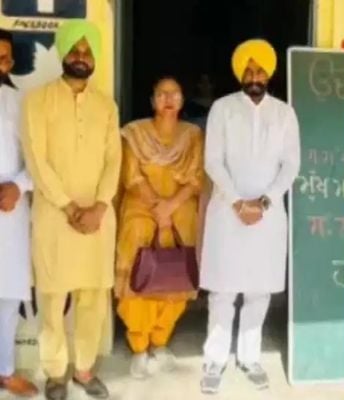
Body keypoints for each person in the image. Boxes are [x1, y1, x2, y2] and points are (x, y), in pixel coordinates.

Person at [21, 20, 121, 400]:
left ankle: (83, 368)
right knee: (52, 299)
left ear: (94, 57)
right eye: (75, 50)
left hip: (97, 218)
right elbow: (36, 157)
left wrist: (98, 206)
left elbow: (115, 159)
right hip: (54, 216)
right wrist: (68, 206)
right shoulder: (37, 101)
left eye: (88, 50)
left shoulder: (106, 105)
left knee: (92, 298)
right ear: (64, 53)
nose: (81, 56)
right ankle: (56, 373)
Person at [199, 39, 300, 394]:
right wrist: (238, 202)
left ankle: (250, 356)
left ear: (269, 74)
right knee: (223, 290)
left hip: (268, 217)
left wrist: (265, 201)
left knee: (259, 291)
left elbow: (291, 165)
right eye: (248, 70)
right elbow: (213, 161)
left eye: (260, 71)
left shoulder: (284, 113)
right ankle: (214, 359)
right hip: (228, 214)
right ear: (240, 72)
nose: (254, 76)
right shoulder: (222, 109)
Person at [115, 76, 204, 379]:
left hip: (179, 216)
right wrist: (157, 207)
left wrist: (169, 207)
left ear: (182, 101)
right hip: (141, 214)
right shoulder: (134, 133)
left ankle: (161, 342)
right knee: (137, 281)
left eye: (175, 94)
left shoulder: (193, 135)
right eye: (161, 94)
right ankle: (139, 346)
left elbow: (196, 178)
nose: (168, 99)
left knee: (175, 281)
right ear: (152, 101)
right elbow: (131, 177)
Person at [0, 28, 39, 398]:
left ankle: (6, 371)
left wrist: (19, 186)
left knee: (8, 296)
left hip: (9, 212)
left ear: (10, 62)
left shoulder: (22, 103)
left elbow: (38, 161)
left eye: (2, 57)